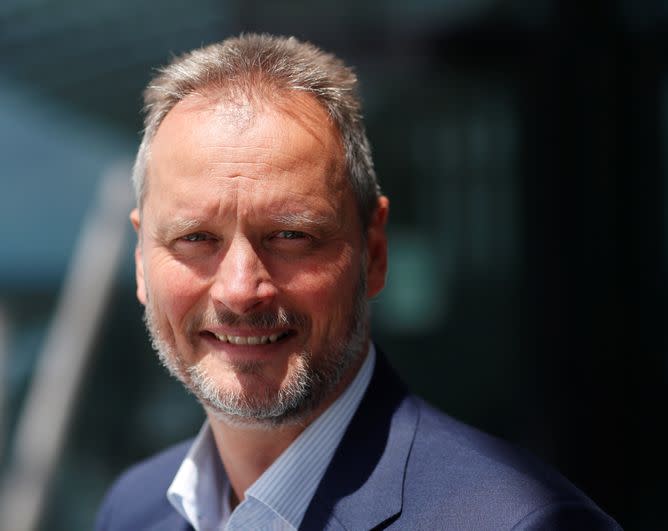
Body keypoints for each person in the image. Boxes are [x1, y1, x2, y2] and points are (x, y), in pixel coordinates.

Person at [94, 33, 621, 531]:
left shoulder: (521, 522)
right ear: (141, 260)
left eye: (290, 235)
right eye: (195, 238)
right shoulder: (133, 509)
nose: (239, 289)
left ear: (373, 252)